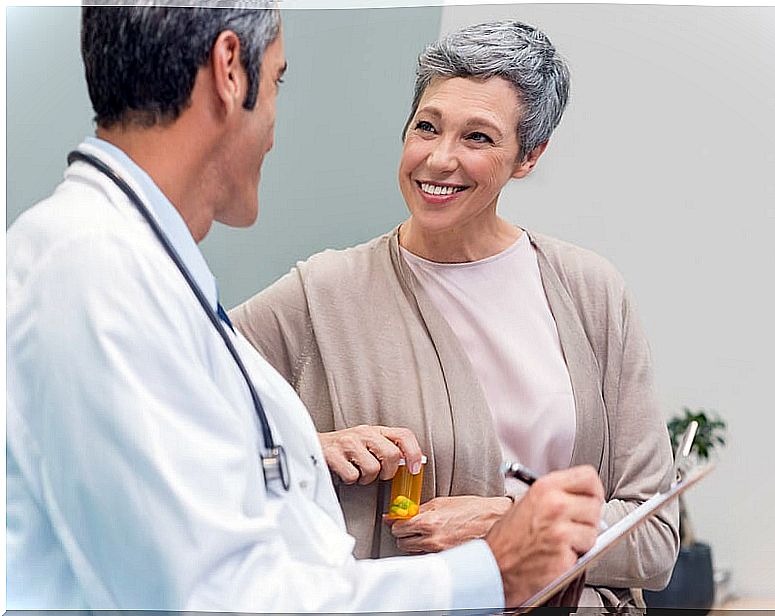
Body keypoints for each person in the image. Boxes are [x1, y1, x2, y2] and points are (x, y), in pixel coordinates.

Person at [6, 6, 606, 611]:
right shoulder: (92, 271)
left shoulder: (134, 266)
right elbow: (215, 596)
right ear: (229, 72)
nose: (274, 129)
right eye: (278, 82)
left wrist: (301, 447)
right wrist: (489, 572)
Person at [231, 20, 679, 607]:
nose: (439, 159)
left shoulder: (590, 293)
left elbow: (654, 537)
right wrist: (307, 445)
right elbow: (171, 411)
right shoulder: (322, 293)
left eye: (478, 138)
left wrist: (503, 522)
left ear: (529, 156)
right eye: (427, 126)